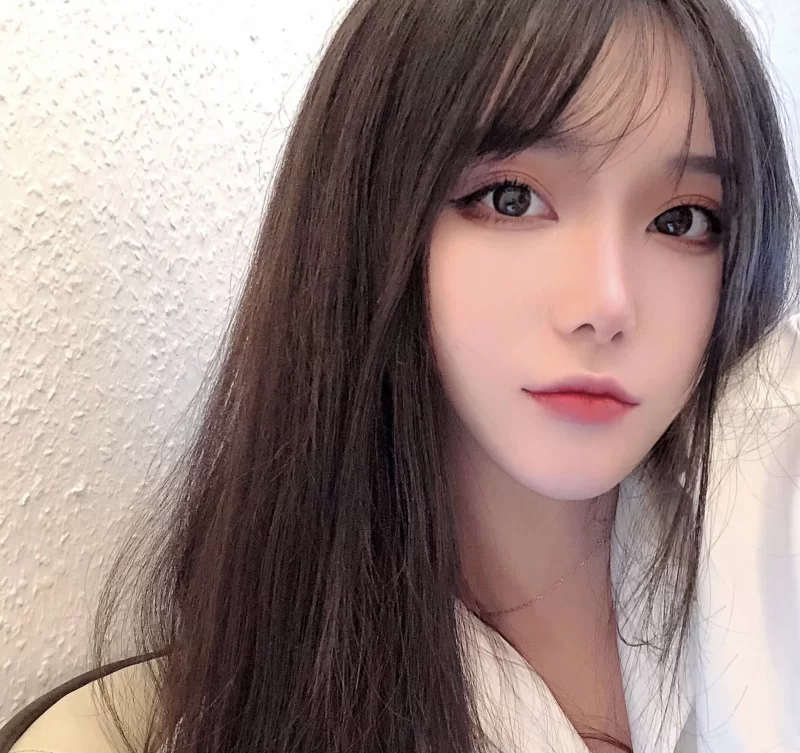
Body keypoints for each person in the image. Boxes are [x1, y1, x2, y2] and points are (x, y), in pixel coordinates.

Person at [3, 0, 799, 751]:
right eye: (511, 198)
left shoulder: (767, 539)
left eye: (683, 219)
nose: (605, 303)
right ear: (370, 217)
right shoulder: (226, 692)